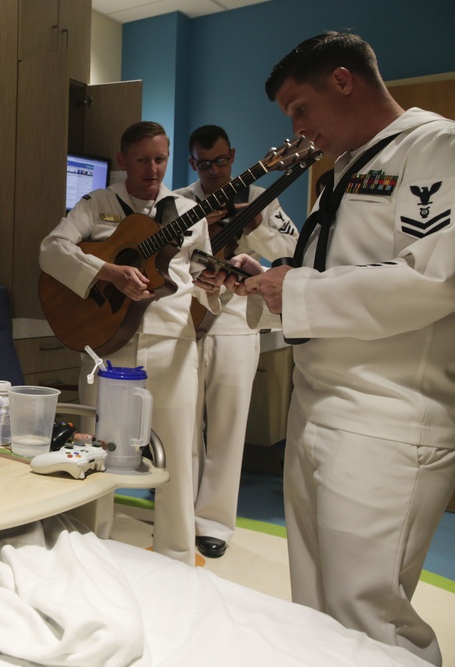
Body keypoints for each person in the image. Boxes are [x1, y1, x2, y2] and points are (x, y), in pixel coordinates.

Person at [220, 32, 455, 665]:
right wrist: (264, 271)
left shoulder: (438, 148)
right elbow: (332, 269)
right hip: (318, 406)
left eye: (301, 109)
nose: (298, 130)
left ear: (343, 81)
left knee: (369, 620)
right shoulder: (344, 170)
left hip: (387, 416)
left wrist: (294, 288)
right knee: (317, 613)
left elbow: (433, 280)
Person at [39, 121, 219, 567]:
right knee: (98, 449)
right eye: (143, 160)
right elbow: (51, 249)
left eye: (161, 159)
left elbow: (199, 278)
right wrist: (106, 272)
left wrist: (214, 282)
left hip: (171, 344)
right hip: (108, 344)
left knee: (178, 449)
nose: (153, 169)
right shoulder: (97, 203)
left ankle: (177, 553)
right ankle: (93, 546)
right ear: (123, 161)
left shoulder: (186, 210)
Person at [173, 125, 298, 559]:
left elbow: (295, 248)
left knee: (228, 422)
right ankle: (179, 510)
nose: (214, 170)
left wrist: (260, 225)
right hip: (187, 315)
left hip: (234, 318)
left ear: (233, 155)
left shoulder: (262, 195)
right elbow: (165, 261)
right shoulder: (178, 201)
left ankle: (214, 522)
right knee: (182, 420)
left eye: (221, 161)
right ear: (193, 163)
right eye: (204, 164)